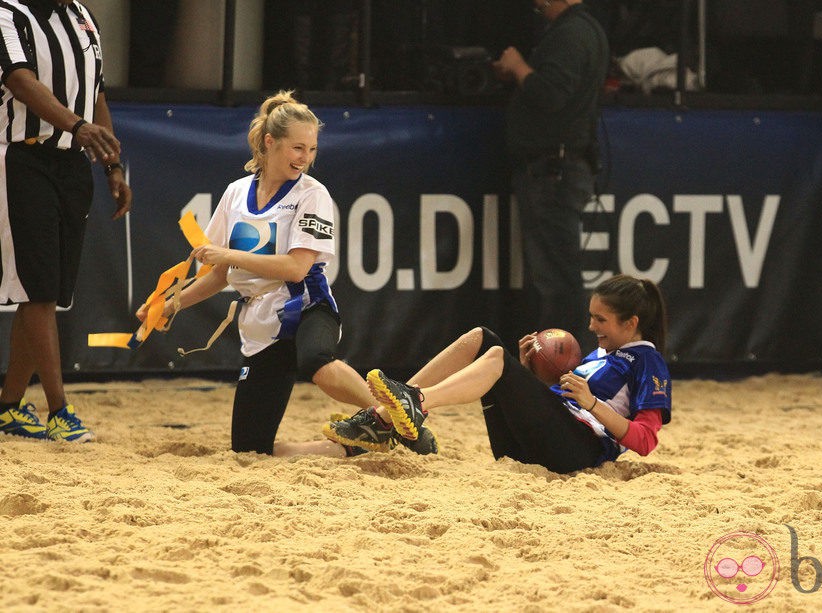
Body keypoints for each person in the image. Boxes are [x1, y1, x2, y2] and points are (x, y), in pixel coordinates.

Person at [137, 91, 436, 457]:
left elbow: (296, 268)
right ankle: (353, 448)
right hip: (261, 324)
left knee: (316, 361)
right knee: (250, 449)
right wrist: (168, 306)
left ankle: (397, 415)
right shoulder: (235, 194)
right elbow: (217, 277)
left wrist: (230, 254)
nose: (305, 158)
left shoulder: (313, 195)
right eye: (297, 148)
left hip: (307, 305)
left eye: (311, 149)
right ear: (269, 142)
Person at [324, 274, 671, 474]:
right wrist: (528, 378)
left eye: (600, 320)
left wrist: (592, 403)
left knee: (493, 355)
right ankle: (385, 418)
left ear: (632, 323)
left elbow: (645, 441)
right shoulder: (602, 353)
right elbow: (562, 403)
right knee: (482, 338)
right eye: (592, 316)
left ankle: (416, 402)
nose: (590, 326)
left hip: (578, 454)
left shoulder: (647, 363)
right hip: (539, 447)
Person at [0, 0, 132, 443]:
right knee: (37, 287)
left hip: (73, 163)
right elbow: (19, 80)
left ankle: (8, 405)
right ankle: (59, 409)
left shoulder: (83, 15)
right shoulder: (9, 13)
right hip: (22, 157)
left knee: (48, 292)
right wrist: (77, 126)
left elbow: (96, 92)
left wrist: (113, 165)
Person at [492, 0, 609, 346]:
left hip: (552, 172)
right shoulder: (585, 29)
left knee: (558, 282)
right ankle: (562, 361)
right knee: (557, 277)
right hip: (558, 168)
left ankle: (566, 364)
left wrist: (517, 67)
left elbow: (551, 93)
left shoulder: (570, 33)